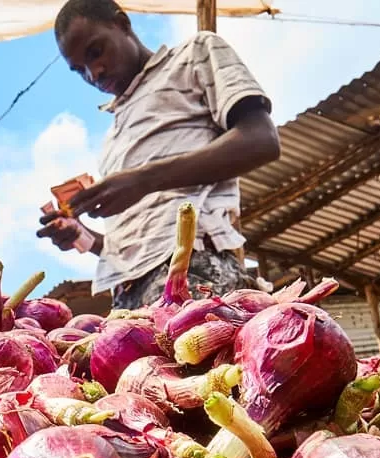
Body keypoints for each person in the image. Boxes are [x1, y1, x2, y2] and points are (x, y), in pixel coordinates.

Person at [37, 0, 280, 309]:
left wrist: (144, 180)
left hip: (192, 268)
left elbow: (261, 139)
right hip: (127, 295)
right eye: (79, 70)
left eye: (96, 52)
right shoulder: (113, 138)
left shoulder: (193, 55)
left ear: (122, 24)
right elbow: (136, 249)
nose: (93, 73)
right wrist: (82, 236)